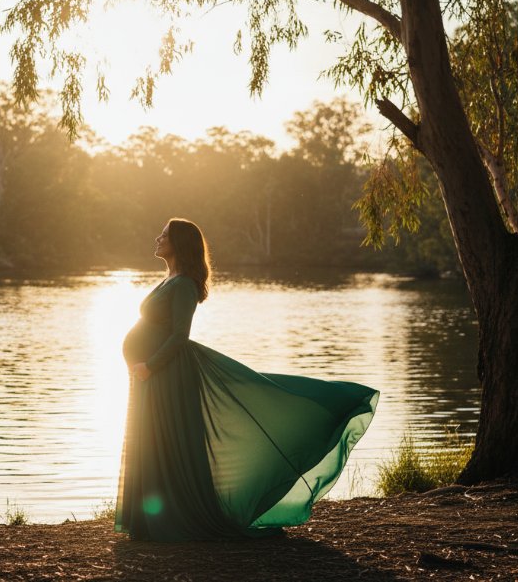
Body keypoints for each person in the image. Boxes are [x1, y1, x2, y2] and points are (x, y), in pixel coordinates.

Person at [116, 217, 379, 541]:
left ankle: (174, 519)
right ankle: (149, 519)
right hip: (150, 375)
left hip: (165, 375)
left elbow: (180, 335)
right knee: (152, 440)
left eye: (165, 235)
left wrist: (151, 365)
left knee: (167, 443)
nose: (157, 238)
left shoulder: (183, 284)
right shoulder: (170, 279)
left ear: (179, 244)